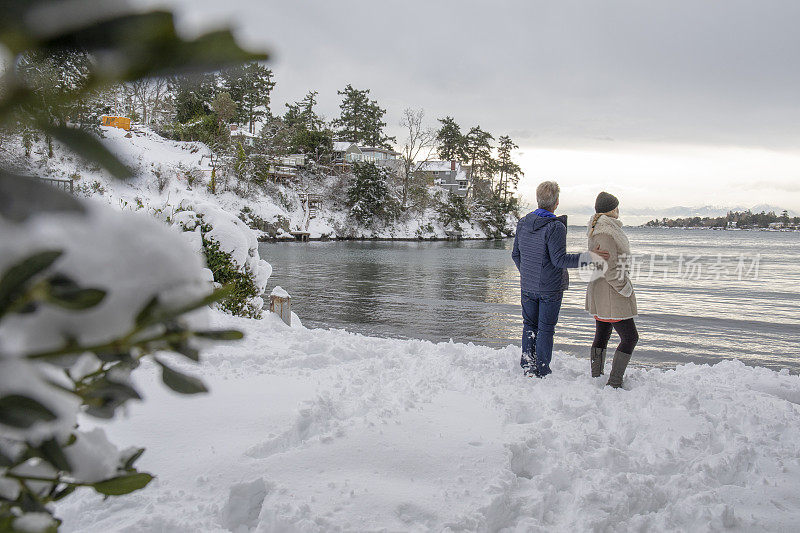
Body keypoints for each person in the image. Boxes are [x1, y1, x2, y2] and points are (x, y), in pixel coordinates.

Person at [512, 181, 608, 377]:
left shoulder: (523, 222)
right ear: (556, 202)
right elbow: (559, 260)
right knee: (545, 329)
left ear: (539, 200)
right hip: (549, 288)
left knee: (529, 326)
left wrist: (528, 273)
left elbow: (516, 254)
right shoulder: (555, 226)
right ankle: (542, 370)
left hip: (527, 285)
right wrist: (590, 257)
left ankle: (528, 366)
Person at [585, 191, 639, 388]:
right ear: (611, 209)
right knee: (630, 337)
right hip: (611, 292)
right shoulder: (605, 232)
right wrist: (624, 288)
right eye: (616, 206)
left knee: (603, 332)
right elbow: (609, 268)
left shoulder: (598, 229)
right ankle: (614, 381)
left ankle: (596, 375)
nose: (618, 210)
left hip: (601, 290)